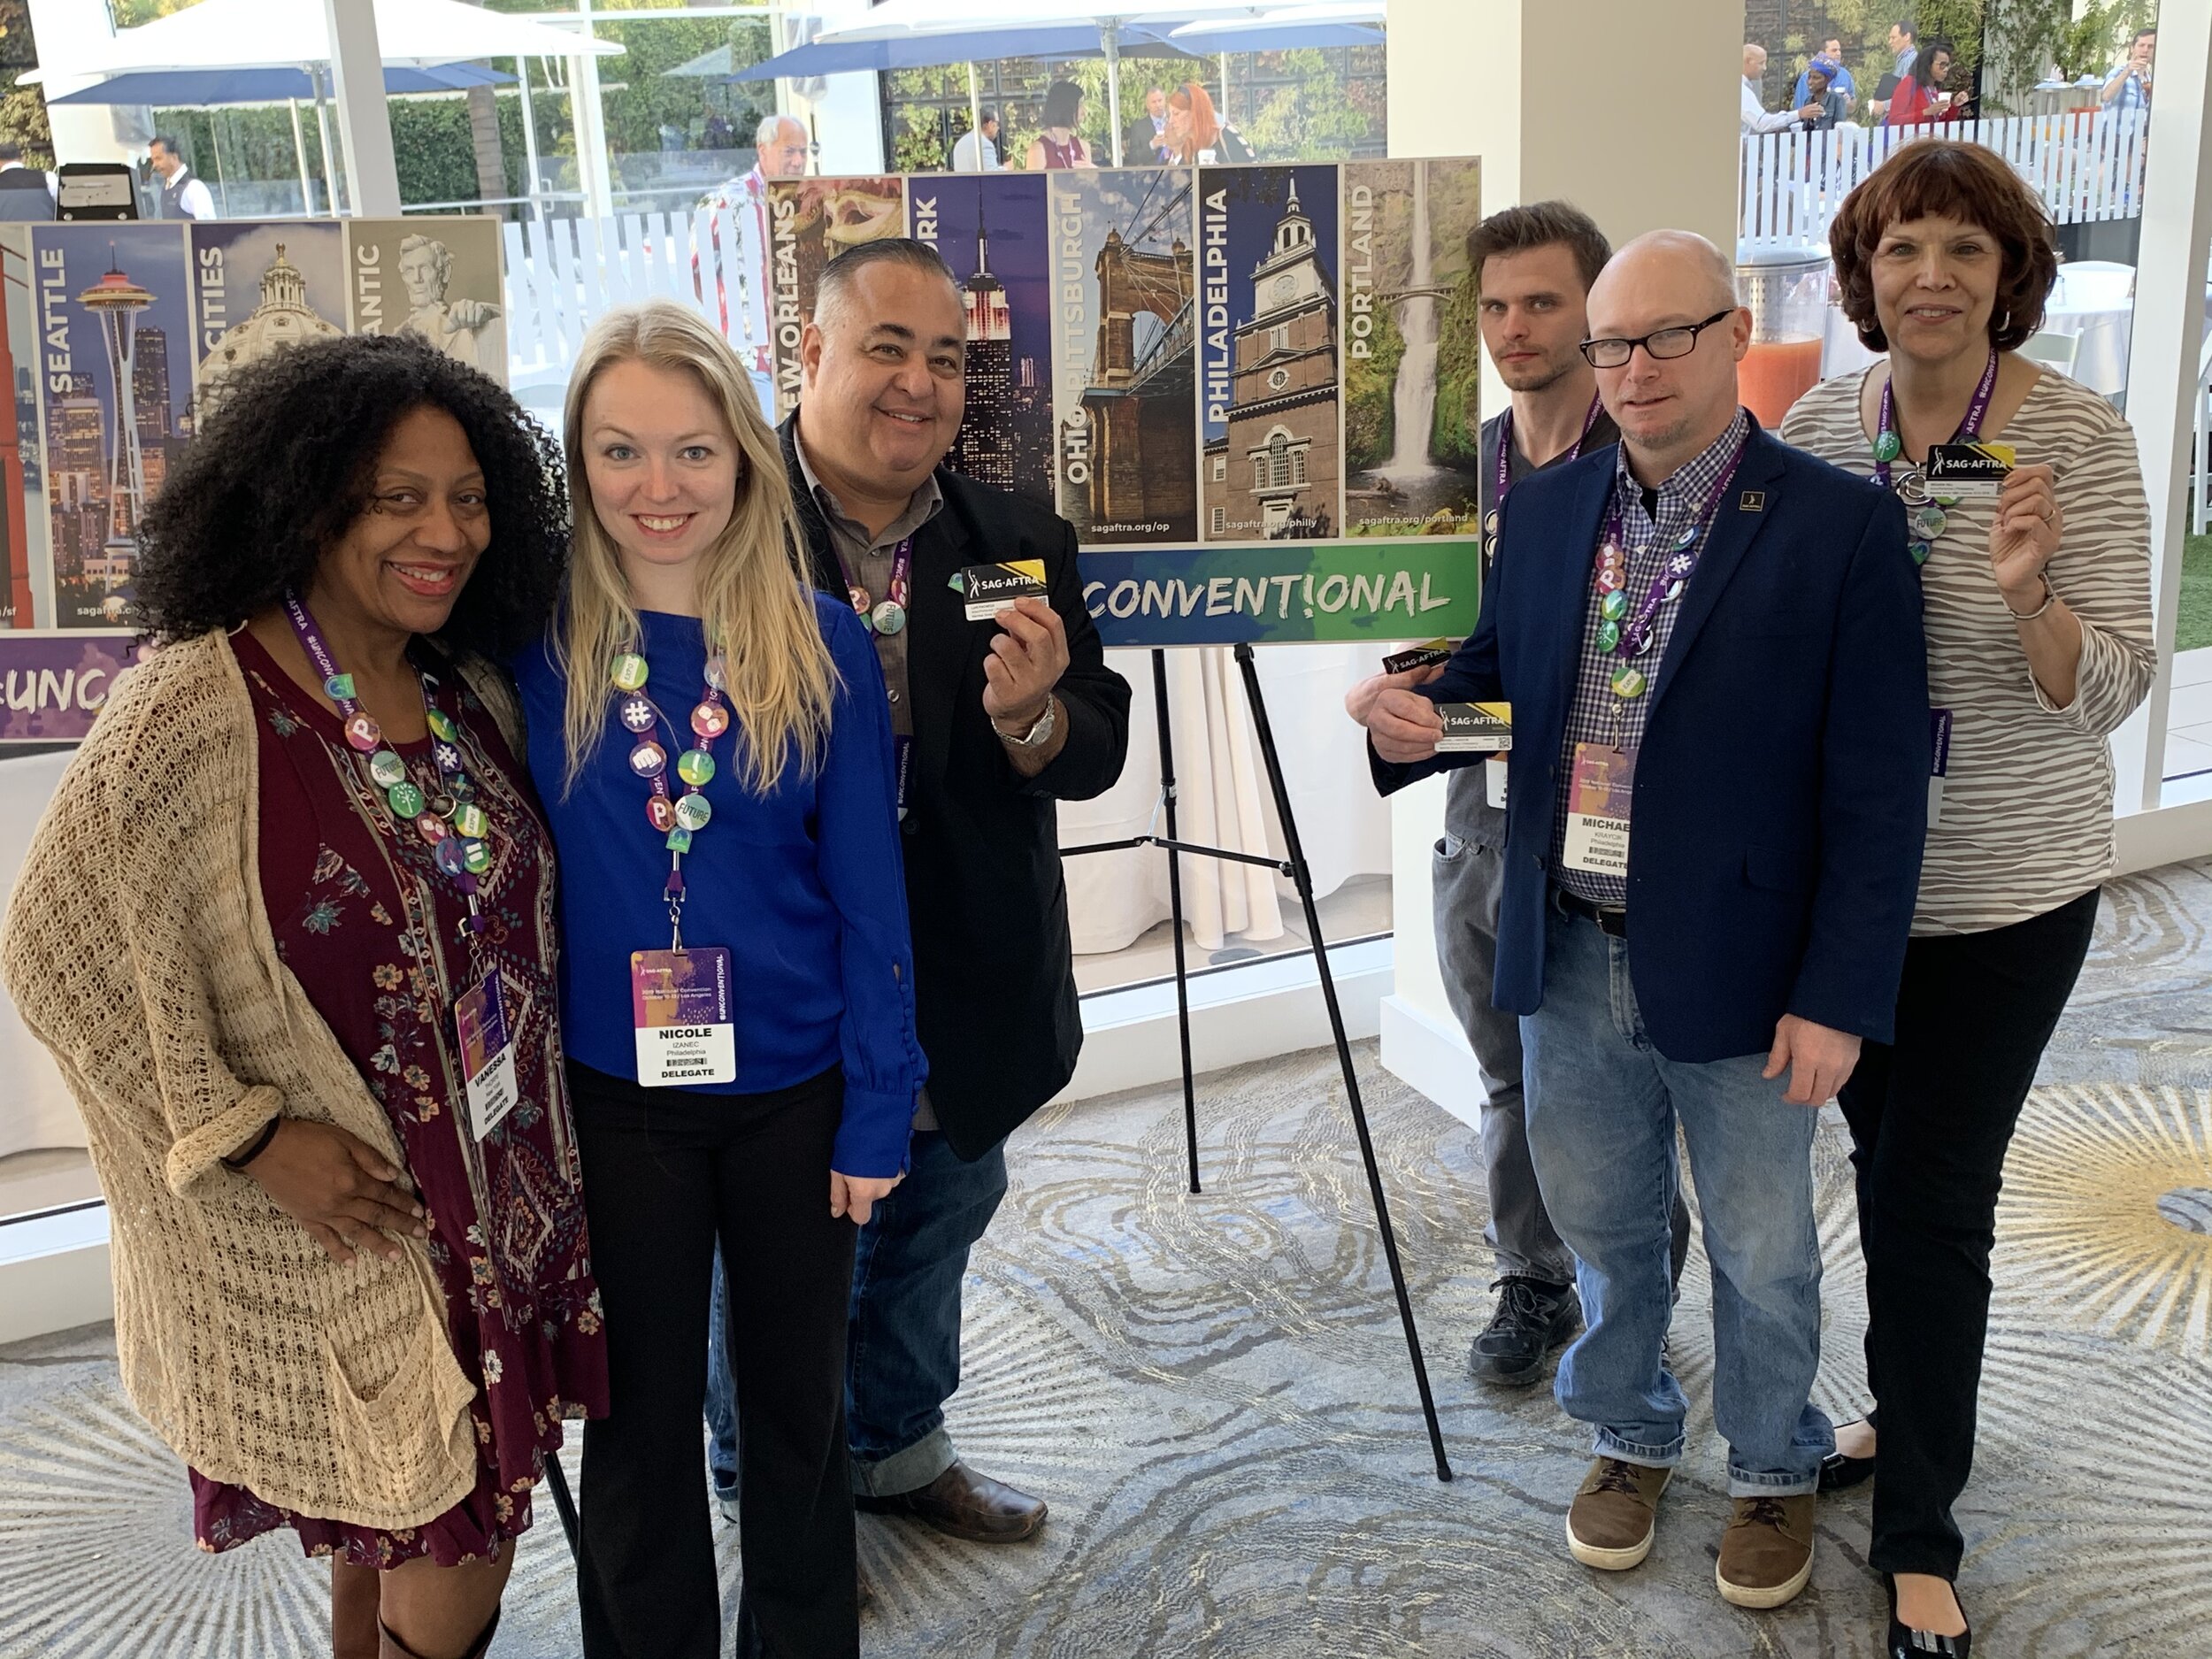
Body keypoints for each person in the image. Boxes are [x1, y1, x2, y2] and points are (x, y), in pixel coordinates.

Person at [0, 332, 592, 1659]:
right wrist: (249, 1131)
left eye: (469, 495)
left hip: (499, 1193)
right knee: (453, 1532)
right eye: (397, 496)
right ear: (308, 497)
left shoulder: (466, 679)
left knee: (394, 1527)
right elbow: (53, 949)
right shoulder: (198, 705)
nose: (445, 530)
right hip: (361, 1223)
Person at [1364, 230, 1929, 1611]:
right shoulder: (1551, 512)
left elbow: (1875, 788)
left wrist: (1840, 993)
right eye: (1613, 344)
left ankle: (1775, 1464)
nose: (1634, 368)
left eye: (1667, 336)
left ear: (1737, 335)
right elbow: (1509, 693)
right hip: (1567, 947)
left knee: (1762, 1246)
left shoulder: (1839, 526)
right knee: (1609, 1225)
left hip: (1747, 969)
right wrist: (1421, 724)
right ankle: (1627, 1427)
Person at [1779, 139, 2154, 1659]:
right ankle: (1901, 1409)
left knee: (1934, 1205)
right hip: (1848, 895)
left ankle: (1920, 1530)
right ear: (1866, 276)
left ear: (2011, 279)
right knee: (1880, 1177)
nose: (1932, 277)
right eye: (1903, 249)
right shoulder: (1814, 423)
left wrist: (2029, 596)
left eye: (1966, 252)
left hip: (2006, 895)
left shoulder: (2076, 436)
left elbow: (2113, 689)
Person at [514, 299, 918, 1659]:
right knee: (634, 1418)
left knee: (799, 1409)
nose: (658, 487)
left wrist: (878, 1105)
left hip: (796, 1090)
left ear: (742, 455)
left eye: (691, 451)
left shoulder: (816, 638)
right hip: (616, 1095)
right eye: (620, 451)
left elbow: (871, 895)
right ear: (578, 463)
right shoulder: (534, 644)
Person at [718, 236, 1127, 1548]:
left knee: (939, 1215)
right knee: (777, 1252)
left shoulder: (1013, 538)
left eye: (945, 357)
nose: (919, 383)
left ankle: (896, 1448)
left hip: (966, 975)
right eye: (886, 347)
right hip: (783, 978)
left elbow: (1098, 741)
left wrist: (1033, 718)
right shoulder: (710, 526)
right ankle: (774, 1489)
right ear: (811, 354)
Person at [1345, 201, 1692, 1388]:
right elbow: (1449, 651)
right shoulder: (1456, 470)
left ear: (1592, 312)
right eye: (1493, 305)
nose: (1513, 327)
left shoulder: (1642, 458)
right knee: (1505, 1066)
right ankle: (1533, 1278)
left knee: (1619, 1078)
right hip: (1480, 810)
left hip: (1615, 826)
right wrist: (1413, 687)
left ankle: (1635, 1286)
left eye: (1542, 302)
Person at [696, 112, 810, 420]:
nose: (799, 161)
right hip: (750, 357)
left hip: (801, 353)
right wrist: (728, 317)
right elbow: (697, 268)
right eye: (790, 151)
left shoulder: (812, 197)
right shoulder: (729, 199)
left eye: (804, 151)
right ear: (763, 150)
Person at [397, 235, 502, 375]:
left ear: (444, 273)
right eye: (409, 271)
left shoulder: (467, 323)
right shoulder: (397, 336)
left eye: (425, 269)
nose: (417, 279)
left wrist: (487, 314)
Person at [1743, 45, 1822, 136]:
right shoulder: (1742, 91)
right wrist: (1799, 114)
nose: (1765, 68)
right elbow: (1761, 123)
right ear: (1748, 61)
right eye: (1761, 63)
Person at [1883, 38, 1962, 127]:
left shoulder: (1935, 89)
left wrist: (1954, 105)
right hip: (1909, 139)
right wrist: (1925, 112)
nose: (1946, 69)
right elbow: (1894, 120)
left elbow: (1940, 123)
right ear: (1928, 65)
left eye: (1947, 65)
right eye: (1942, 64)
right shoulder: (1909, 83)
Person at [1026, 81, 1092, 170]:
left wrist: (1093, 173)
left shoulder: (1084, 147)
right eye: (1079, 105)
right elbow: (1034, 183)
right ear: (1066, 108)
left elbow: (1093, 183)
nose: (1084, 112)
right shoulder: (1038, 150)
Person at [149, 134, 215, 219]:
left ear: (174, 157)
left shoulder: (194, 188)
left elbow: (208, 227)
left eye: (158, 159)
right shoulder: (167, 186)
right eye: (153, 160)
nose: (154, 165)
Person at [1869, 20, 1920, 121]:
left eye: (1893, 38)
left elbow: (1908, 95)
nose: (1890, 42)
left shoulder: (1910, 61)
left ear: (1907, 37)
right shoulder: (1905, 60)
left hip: (1903, 122)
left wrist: (1883, 105)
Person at [1793, 40, 1856, 116]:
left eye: (1839, 50)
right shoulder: (1807, 78)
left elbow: (1853, 104)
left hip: (1840, 124)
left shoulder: (1845, 75)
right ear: (1821, 53)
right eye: (1834, 50)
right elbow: (1800, 109)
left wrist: (1847, 104)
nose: (1839, 53)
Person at [2101, 27, 2155, 112]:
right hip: (2119, 125)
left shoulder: (2151, 79)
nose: (2145, 50)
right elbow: (2106, 97)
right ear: (2132, 48)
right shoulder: (2118, 72)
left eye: (2151, 46)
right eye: (2141, 45)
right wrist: (2127, 71)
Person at [1796, 59, 1848, 132]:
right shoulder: (1808, 101)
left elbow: (1839, 130)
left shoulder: (1836, 100)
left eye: (1816, 78)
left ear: (1827, 80)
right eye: (1809, 77)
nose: (1810, 82)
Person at [1125, 87, 1171, 165]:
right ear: (1148, 105)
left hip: (1177, 172)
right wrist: (1152, 145)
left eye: (1160, 100)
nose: (1158, 105)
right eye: (1154, 102)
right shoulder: (1138, 127)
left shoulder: (1174, 121)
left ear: (1165, 101)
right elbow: (1133, 158)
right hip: (1152, 175)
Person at [950, 107, 1002, 173]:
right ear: (990, 124)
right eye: (997, 124)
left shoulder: (960, 143)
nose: (998, 128)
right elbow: (992, 175)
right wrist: (1007, 169)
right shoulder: (984, 144)